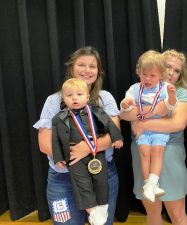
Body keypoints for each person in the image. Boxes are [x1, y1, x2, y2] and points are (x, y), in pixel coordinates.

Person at [33, 46, 121, 225]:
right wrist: (74, 156)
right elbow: (44, 144)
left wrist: (86, 149)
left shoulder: (105, 98)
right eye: (82, 65)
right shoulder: (53, 101)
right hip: (63, 178)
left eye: (92, 66)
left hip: (101, 173)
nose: (87, 70)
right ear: (71, 68)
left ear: (98, 71)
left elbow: (113, 135)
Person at [121, 49, 187, 225]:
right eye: (168, 67)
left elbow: (177, 124)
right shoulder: (140, 89)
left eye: (177, 71)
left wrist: (143, 123)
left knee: (176, 213)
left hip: (169, 153)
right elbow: (125, 115)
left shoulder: (180, 93)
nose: (171, 73)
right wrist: (151, 112)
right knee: (152, 211)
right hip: (142, 150)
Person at [52, 78, 123, 225]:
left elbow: (109, 124)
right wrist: (58, 157)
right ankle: (92, 211)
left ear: (87, 97)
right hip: (74, 157)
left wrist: (117, 138)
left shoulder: (96, 111)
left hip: (97, 154)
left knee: (101, 181)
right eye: (69, 95)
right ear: (64, 99)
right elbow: (55, 140)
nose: (75, 98)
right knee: (81, 184)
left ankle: (103, 207)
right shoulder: (59, 118)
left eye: (79, 94)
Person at [120, 50, 177, 203]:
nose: (148, 78)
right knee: (144, 153)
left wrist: (171, 95)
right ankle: (148, 185)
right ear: (139, 72)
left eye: (153, 75)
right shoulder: (135, 88)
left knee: (157, 151)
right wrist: (125, 104)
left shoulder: (165, 87)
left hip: (159, 127)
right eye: (144, 74)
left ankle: (153, 182)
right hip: (142, 127)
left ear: (161, 75)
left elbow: (170, 107)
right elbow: (124, 110)